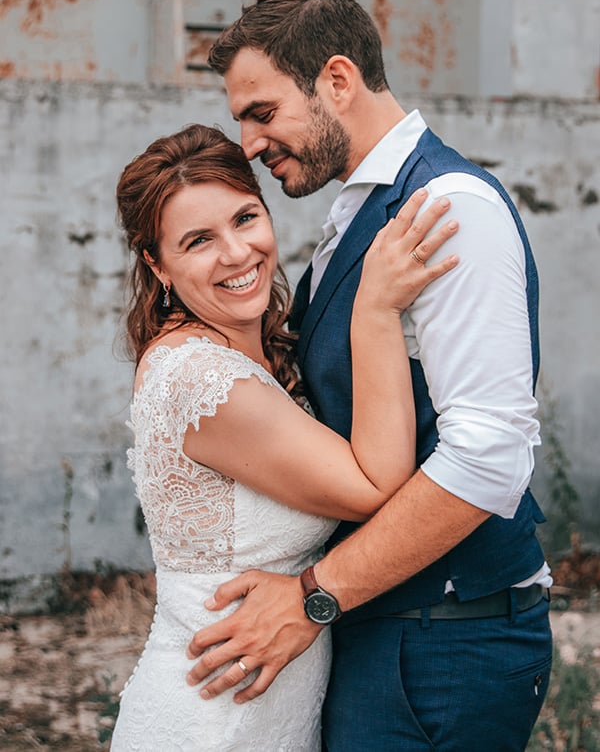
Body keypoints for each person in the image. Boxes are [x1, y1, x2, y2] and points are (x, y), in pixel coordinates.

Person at [185, 0, 554, 752]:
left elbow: (489, 458)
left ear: (338, 81)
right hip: (387, 630)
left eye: (262, 112)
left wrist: (312, 599)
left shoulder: (448, 208)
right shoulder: (356, 211)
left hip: (443, 646)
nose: (249, 143)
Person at [109, 122, 457, 750]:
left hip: (273, 707)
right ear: (156, 265)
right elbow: (376, 485)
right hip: (214, 718)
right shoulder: (202, 379)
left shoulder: (258, 350)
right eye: (198, 241)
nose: (237, 253)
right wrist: (374, 310)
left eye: (245, 219)